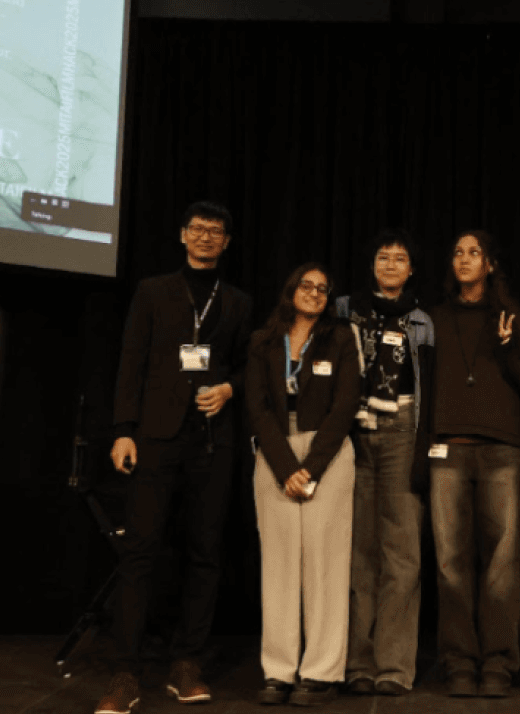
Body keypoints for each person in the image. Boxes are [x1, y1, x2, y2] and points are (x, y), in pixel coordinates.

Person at [97, 202, 253, 713]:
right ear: (183, 235)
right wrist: (124, 430)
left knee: (204, 554)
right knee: (140, 552)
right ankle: (125, 671)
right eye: (199, 229)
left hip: (212, 440)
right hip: (155, 437)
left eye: (216, 230)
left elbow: (248, 367)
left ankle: (187, 663)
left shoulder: (238, 301)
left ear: (227, 242)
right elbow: (130, 361)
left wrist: (229, 388)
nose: (207, 237)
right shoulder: (154, 290)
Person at [422, 229, 520, 698]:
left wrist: (507, 347)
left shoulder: (510, 316)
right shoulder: (433, 318)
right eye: (458, 253)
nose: (464, 259)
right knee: (450, 563)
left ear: (489, 264)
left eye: (474, 253)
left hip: (501, 448)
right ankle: (459, 661)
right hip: (448, 447)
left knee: (502, 561)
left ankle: (500, 662)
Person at [245, 263, 362, 706]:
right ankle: (278, 671)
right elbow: (257, 407)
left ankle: (320, 672)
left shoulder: (341, 337)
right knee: (278, 566)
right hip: (275, 451)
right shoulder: (262, 340)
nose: (314, 293)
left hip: (327, 455)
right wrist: (284, 466)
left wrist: (310, 468)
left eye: (322, 289)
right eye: (306, 286)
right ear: (291, 290)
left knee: (325, 564)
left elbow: (346, 405)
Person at [336, 230, 434, 696]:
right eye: (383, 257)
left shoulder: (422, 320)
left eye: (400, 258)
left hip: (402, 428)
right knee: (358, 550)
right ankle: (357, 662)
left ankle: (393, 666)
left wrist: (424, 447)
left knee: (401, 552)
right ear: (372, 265)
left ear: (411, 269)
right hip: (352, 430)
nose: (391, 264)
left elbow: (431, 387)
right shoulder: (344, 310)